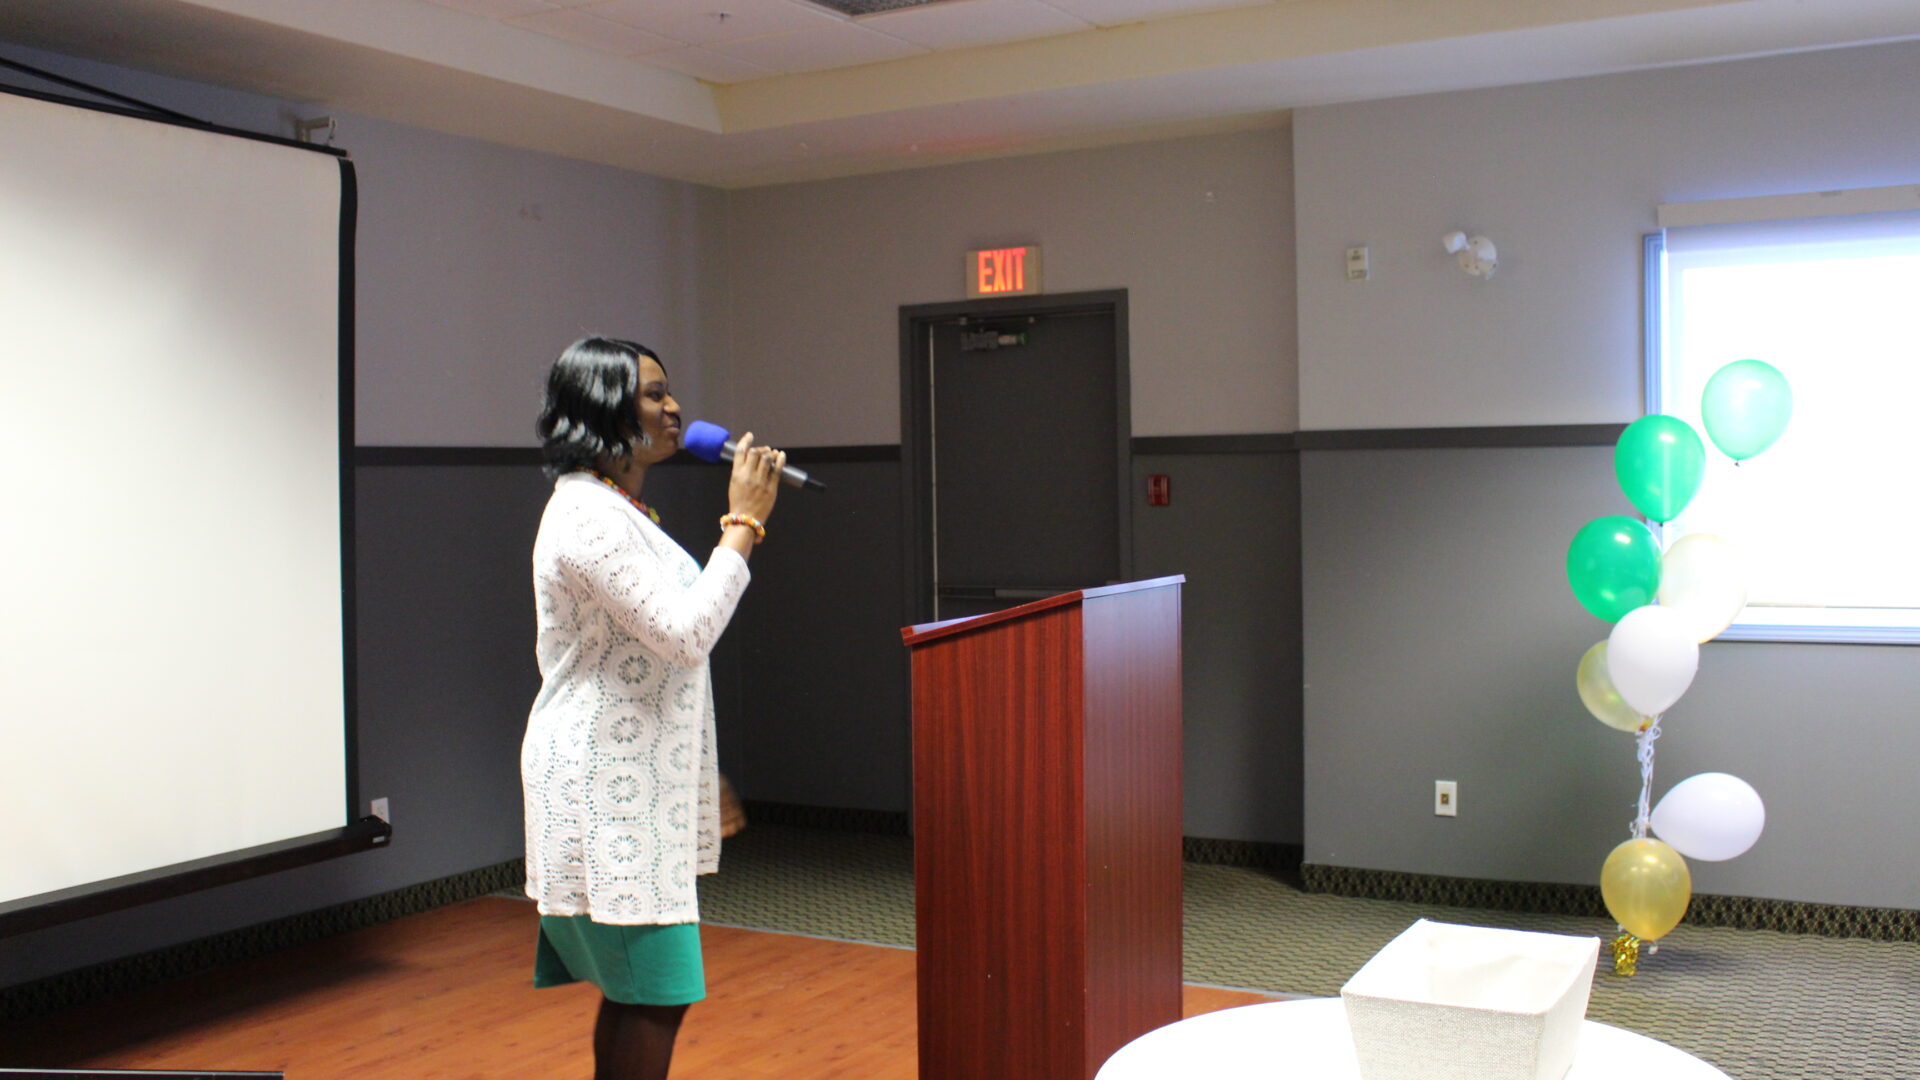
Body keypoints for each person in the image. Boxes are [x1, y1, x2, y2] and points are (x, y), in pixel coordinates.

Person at [522, 335, 785, 1080]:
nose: (674, 409)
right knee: (655, 992)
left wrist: (699, 779)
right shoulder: (586, 515)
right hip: (601, 782)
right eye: (653, 394)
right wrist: (745, 524)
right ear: (601, 409)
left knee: (640, 993)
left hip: (632, 776)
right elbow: (684, 632)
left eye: (670, 393)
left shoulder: (615, 507)